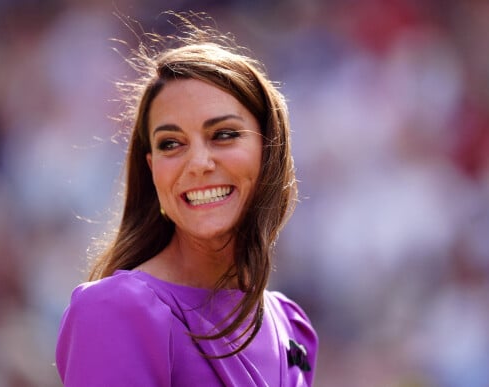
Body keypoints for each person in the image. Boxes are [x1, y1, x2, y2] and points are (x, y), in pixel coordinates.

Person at [55, 13, 318, 386]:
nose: (198, 164)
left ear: (269, 150)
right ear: (152, 170)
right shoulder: (116, 311)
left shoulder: (292, 328)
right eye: (171, 144)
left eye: (224, 134)